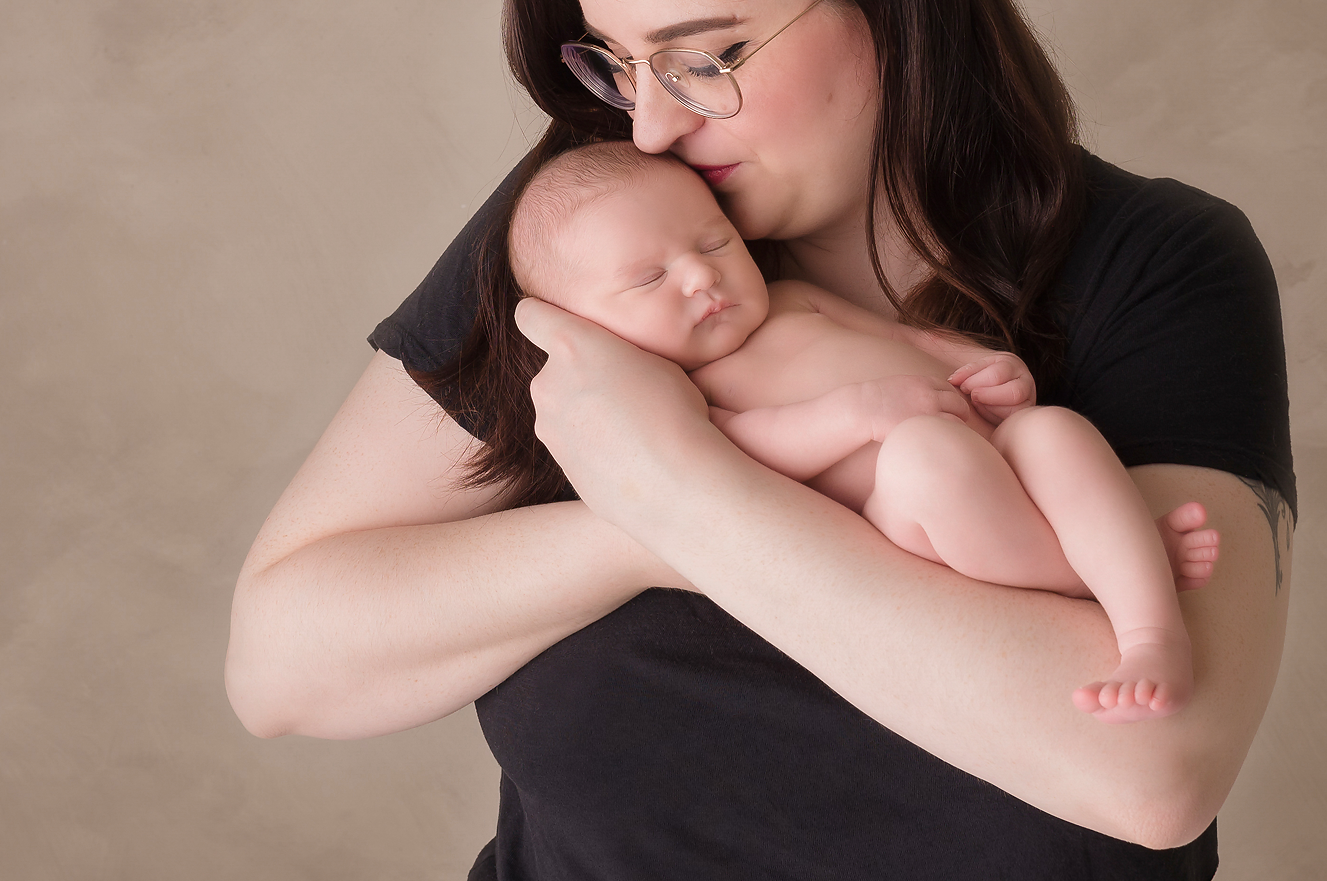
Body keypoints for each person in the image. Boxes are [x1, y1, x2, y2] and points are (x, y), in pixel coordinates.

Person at [226, 0, 1298, 881]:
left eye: (704, 54)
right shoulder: (606, 231)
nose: (652, 125)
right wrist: (642, 523)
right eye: (616, 64)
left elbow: (1152, 774)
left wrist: (691, 484)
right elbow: (283, 663)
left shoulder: (1157, 267)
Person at [505, 140, 1225, 720]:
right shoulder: (680, 395)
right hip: (908, 512)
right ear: (583, 330)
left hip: (989, 445)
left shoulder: (793, 299)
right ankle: (1091, 571)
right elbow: (747, 458)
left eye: (715, 243)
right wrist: (855, 415)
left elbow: (920, 344)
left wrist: (990, 368)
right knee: (922, 453)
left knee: (1056, 433)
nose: (701, 277)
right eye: (647, 279)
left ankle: (1149, 632)